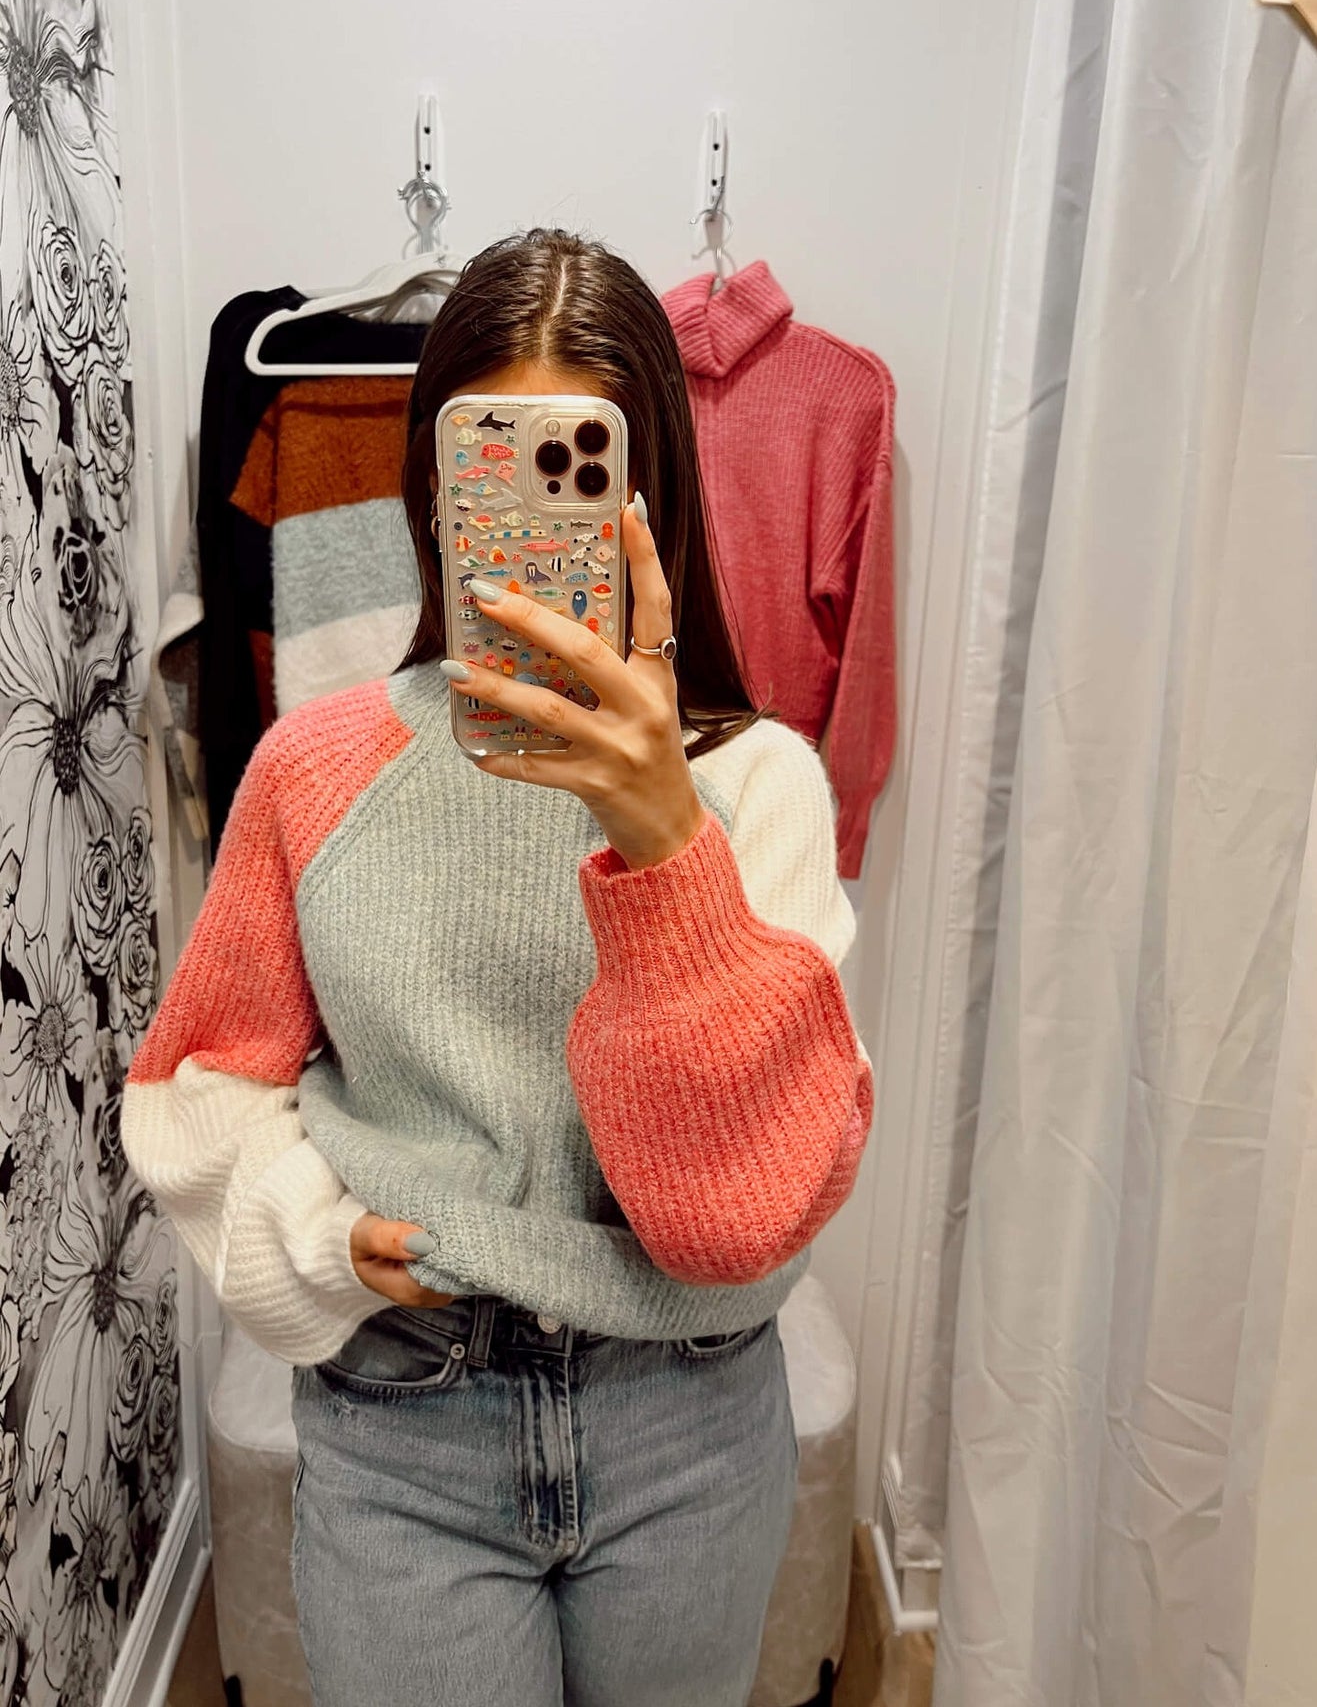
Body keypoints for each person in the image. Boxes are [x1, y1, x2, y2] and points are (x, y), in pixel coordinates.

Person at [122, 227, 874, 1707]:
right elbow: (199, 1081)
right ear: (432, 492)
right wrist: (320, 1237)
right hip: (406, 1413)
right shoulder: (314, 771)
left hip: (689, 1412)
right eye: (491, 474)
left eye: (576, 473)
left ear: (651, 495)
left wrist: (663, 840)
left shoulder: (760, 787)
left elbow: (738, 1213)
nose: (529, 525)